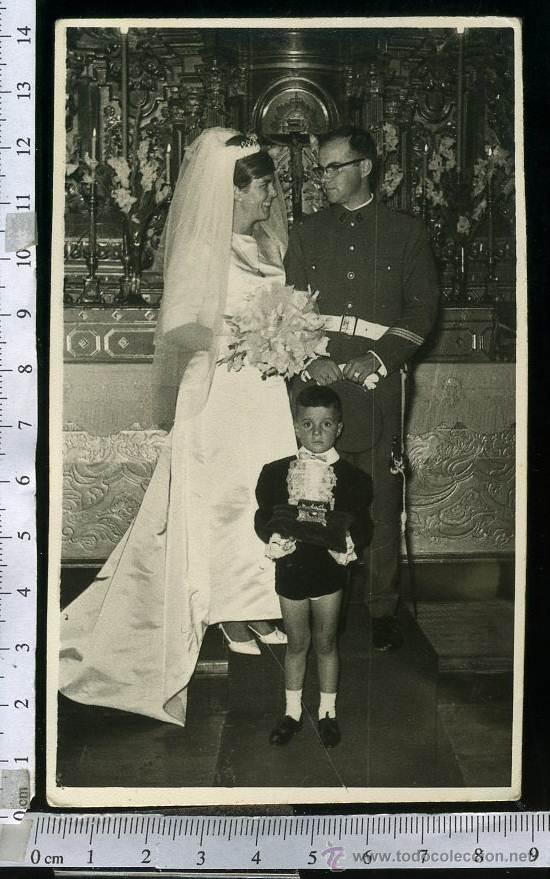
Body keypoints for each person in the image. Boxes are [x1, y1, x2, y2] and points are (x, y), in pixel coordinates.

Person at [59, 128, 297, 726]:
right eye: (265, 187)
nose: (274, 198)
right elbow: (180, 328)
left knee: (266, 491)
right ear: (236, 190)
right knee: (222, 497)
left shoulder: (267, 245)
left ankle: (259, 599)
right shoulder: (202, 245)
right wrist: (241, 340)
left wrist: (282, 341)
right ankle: (228, 610)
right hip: (219, 387)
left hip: (264, 390)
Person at [284, 125, 439, 652]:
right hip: (319, 384)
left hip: (377, 381)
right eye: (319, 168)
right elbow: (290, 306)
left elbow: (422, 309)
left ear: (365, 168)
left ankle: (381, 608)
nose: (321, 178)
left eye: (333, 167)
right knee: (314, 494)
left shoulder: (405, 231)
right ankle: (320, 599)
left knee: (379, 496)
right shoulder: (305, 231)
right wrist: (314, 358)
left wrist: (379, 356)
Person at [255, 386, 372, 747]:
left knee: (325, 642)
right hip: (291, 568)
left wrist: (350, 543)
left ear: (339, 427)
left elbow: (362, 524)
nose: (317, 432)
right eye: (308, 424)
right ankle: (291, 712)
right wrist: (272, 537)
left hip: (329, 571)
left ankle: (327, 712)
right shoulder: (275, 472)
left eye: (325, 424)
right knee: (296, 643)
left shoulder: (354, 478)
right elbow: (264, 515)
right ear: (295, 427)